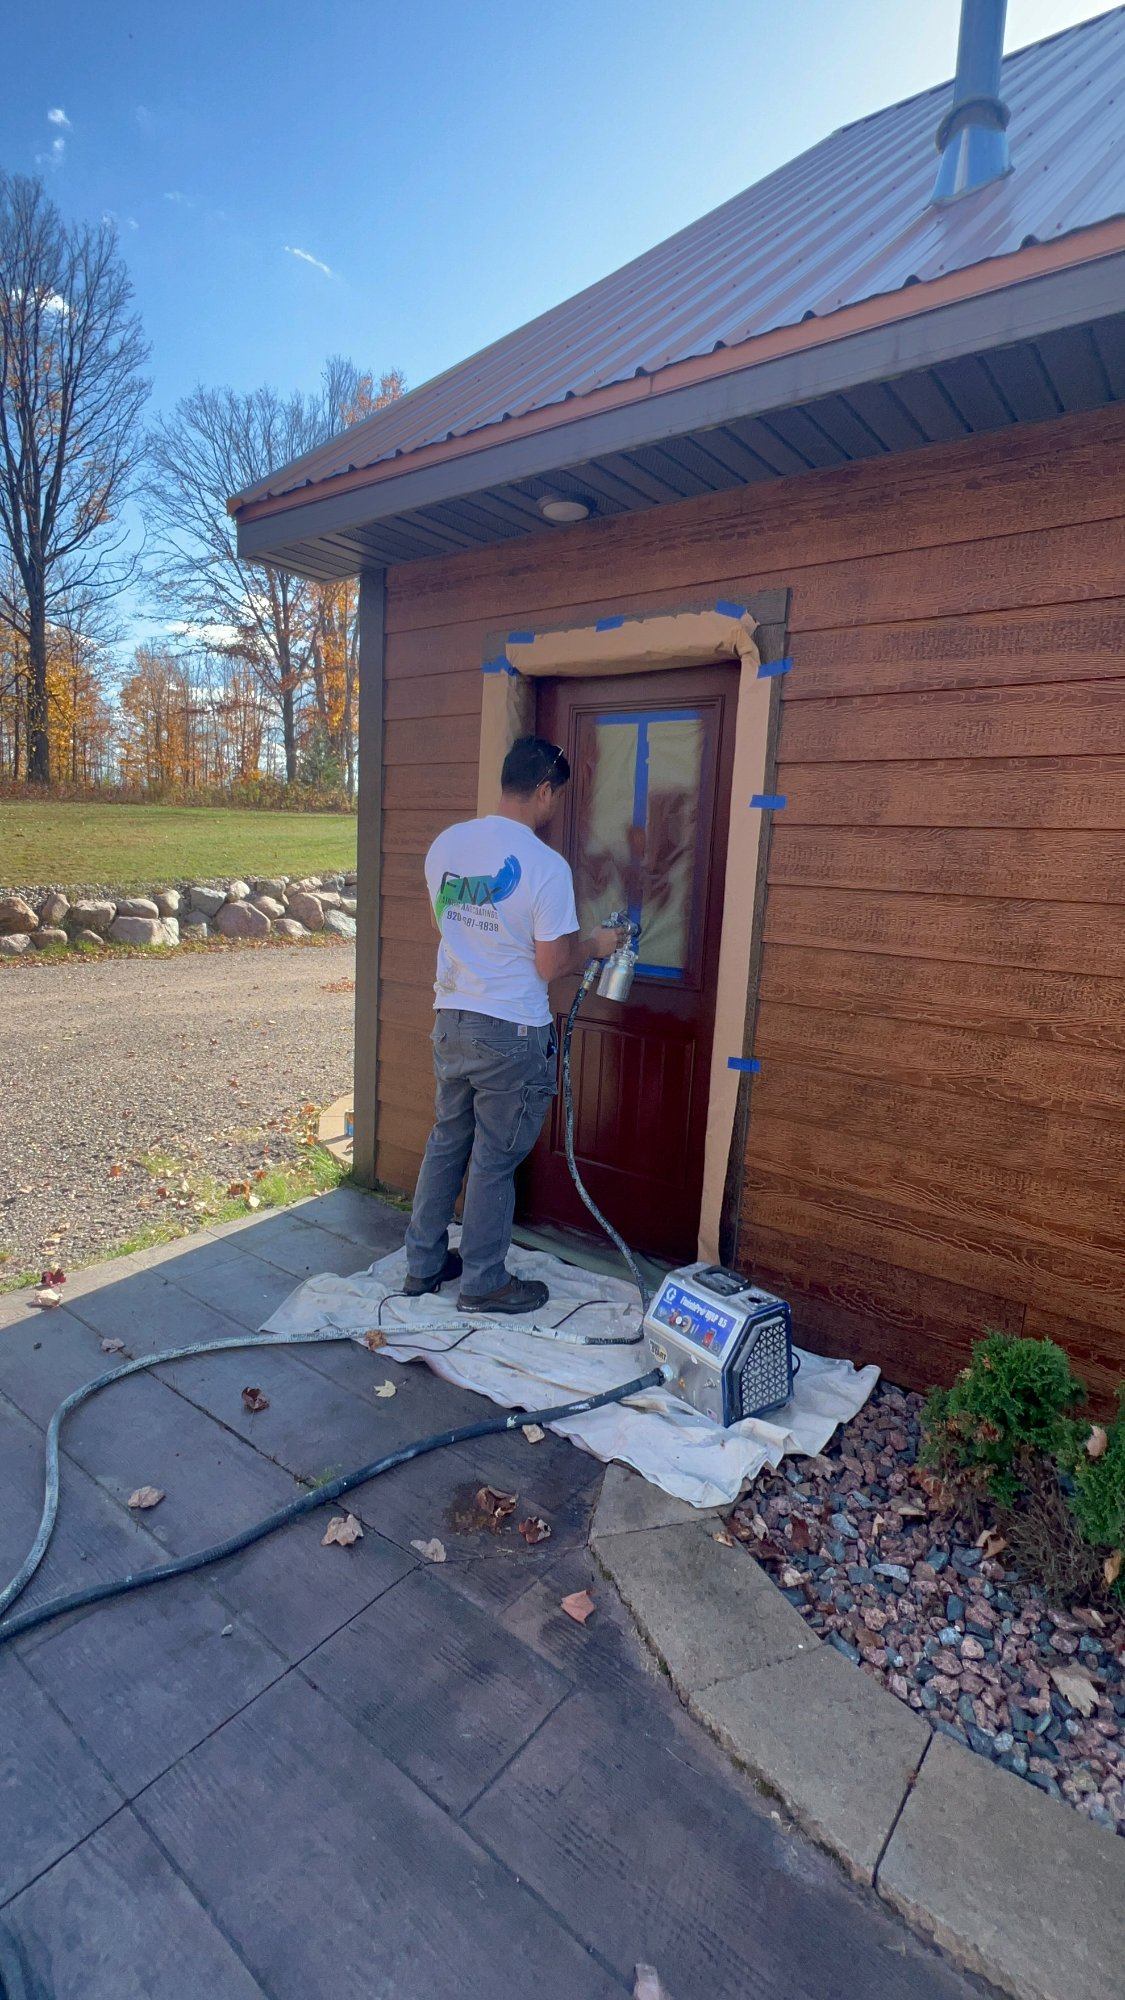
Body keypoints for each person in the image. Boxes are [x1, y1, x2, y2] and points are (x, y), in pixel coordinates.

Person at [404, 735, 626, 1314]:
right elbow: (551, 965)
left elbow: (451, 928)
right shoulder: (544, 867)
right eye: (557, 797)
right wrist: (597, 945)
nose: (555, 809)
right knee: (494, 1159)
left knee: (447, 1140)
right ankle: (483, 1282)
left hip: (451, 1016)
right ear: (545, 791)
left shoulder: (446, 846)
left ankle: (423, 1266)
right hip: (510, 1032)